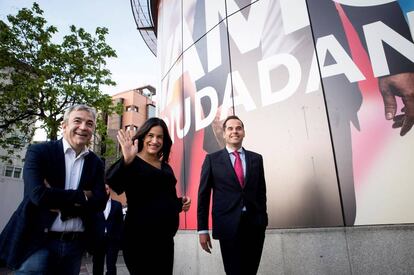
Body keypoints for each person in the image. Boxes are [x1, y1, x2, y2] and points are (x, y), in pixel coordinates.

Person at [0, 104, 107, 274]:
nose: (83, 127)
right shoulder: (39, 152)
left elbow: (100, 202)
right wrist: (83, 196)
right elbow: (38, 196)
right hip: (37, 242)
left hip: (75, 246)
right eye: (77, 121)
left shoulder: (96, 163)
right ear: (63, 125)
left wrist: (56, 198)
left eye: (89, 123)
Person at [105, 117, 191, 275]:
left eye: (160, 137)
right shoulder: (132, 161)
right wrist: (126, 161)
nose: (155, 140)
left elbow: (164, 199)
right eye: (151, 135)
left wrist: (180, 203)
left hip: (164, 241)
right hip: (139, 240)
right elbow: (113, 183)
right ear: (143, 137)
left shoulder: (166, 168)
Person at [197, 115, 268, 275]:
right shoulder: (211, 160)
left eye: (238, 128)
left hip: (255, 225)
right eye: (230, 128)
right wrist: (202, 229)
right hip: (228, 225)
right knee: (234, 271)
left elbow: (261, 192)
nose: (234, 131)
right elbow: (203, 196)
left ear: (243, 132)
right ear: (224, 134)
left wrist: (263, 219)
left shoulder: (256, 159)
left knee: (251, 271)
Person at [91, 184, 123, 275]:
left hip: (112, 241)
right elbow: (91, 222)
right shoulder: (94, 204)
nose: (105, 191)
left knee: (111, 266)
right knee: (97, 265)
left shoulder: (117, 205)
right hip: (98, 240)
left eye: (107, 188)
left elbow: (120, 224)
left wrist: (118, 239)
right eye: (103, 189)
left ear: (109, 190)